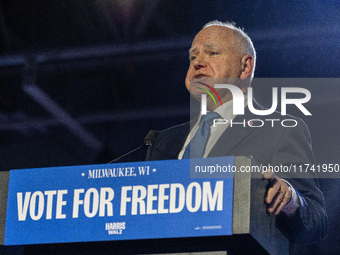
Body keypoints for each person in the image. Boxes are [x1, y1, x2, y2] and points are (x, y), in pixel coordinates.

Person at [145, 20, 327, 244]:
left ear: (245, 67)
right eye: (192, 57)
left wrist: (290, 199)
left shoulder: (280, 130)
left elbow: (316, 220)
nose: (198, 63)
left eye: (212, 53)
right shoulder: (162, 142)